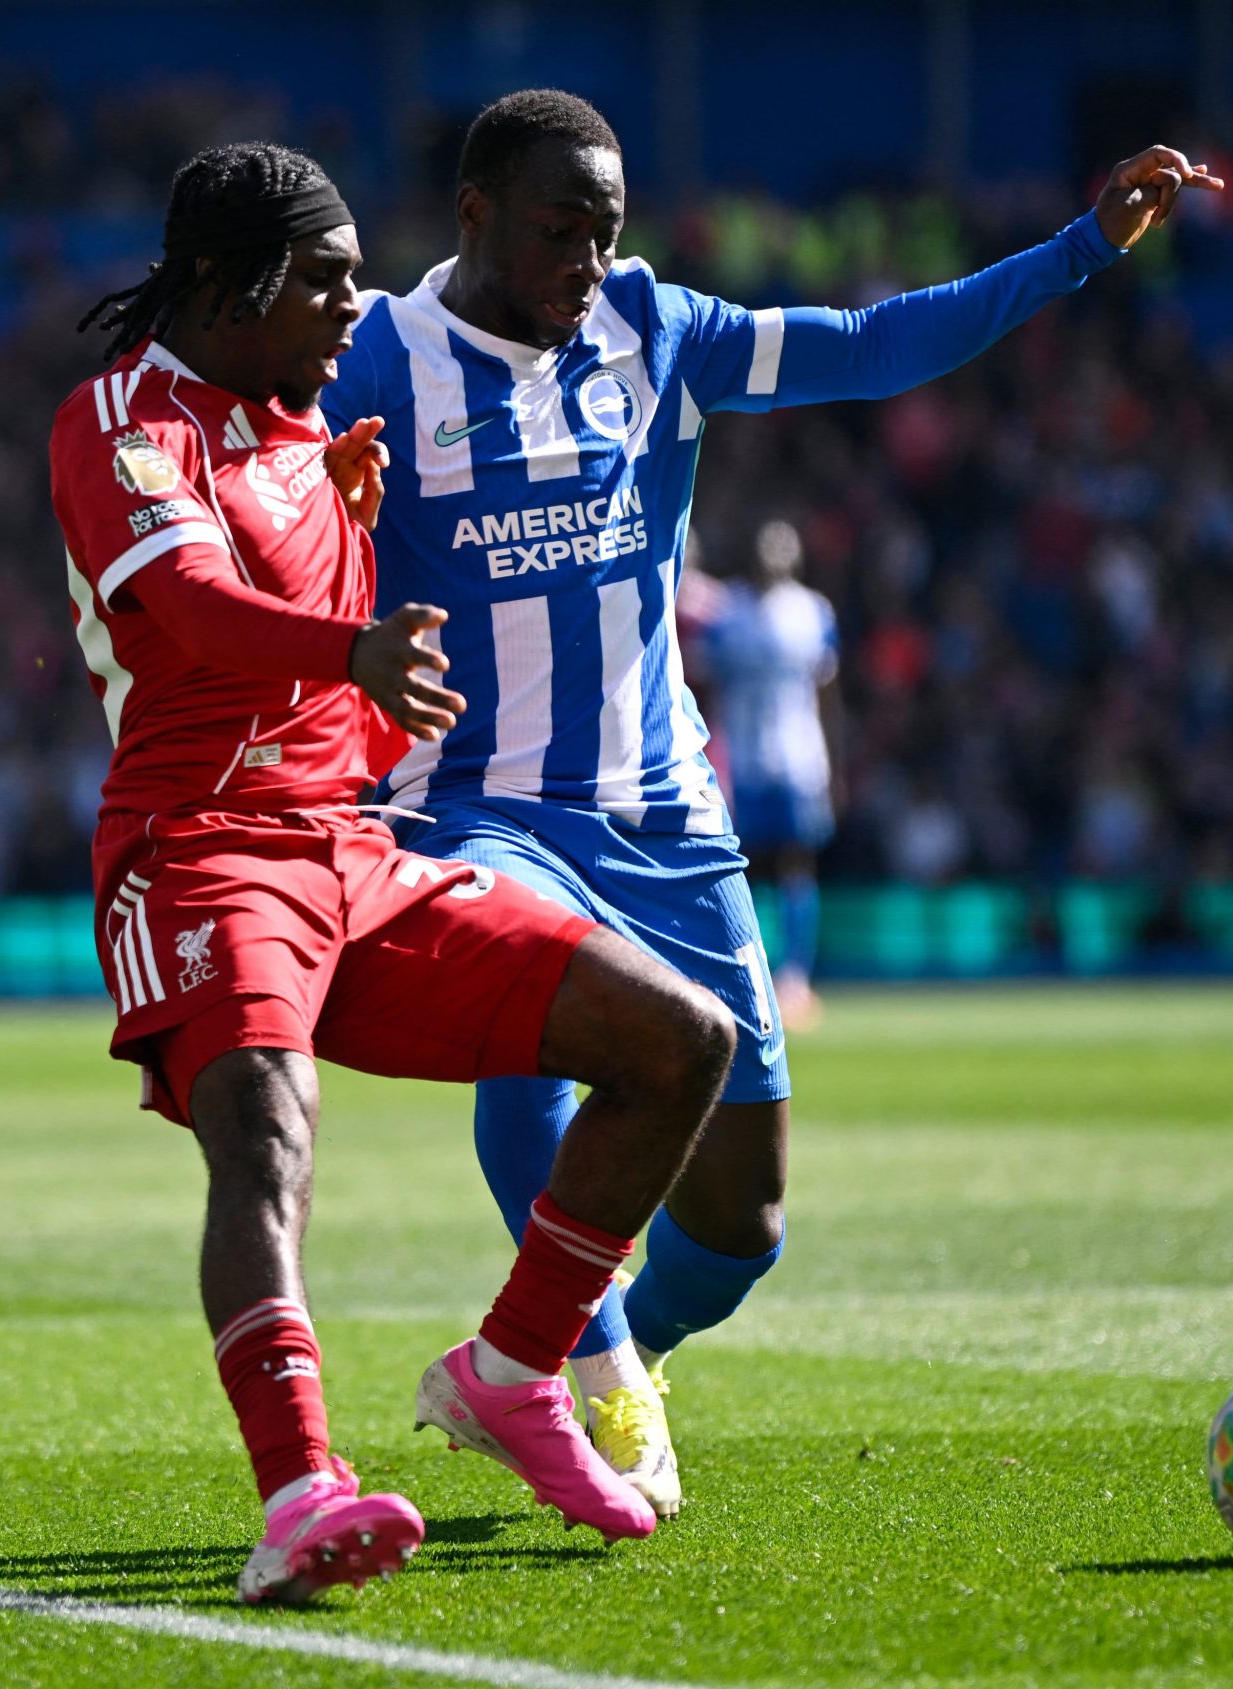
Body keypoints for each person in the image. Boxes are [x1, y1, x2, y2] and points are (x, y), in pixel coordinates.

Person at [322, 88, 1222, 1515]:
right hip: (472, 803)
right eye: (561, 228)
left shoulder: (654, 329)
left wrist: (1078, 249)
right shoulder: (374, 352)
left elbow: (872, 346)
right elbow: (232, 464)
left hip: (668, 812)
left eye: (606, 229)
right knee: (543, 1051)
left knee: (744, 1226)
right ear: (476, 212)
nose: (588, 257)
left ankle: (613, 1345)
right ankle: (581, 1358)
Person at [51, 142, 734, 1606]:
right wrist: (348, 645)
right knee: (268, 1138)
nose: (358, 308)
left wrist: (356, 575)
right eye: (330, 279)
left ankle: (511, 1368)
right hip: (198, 849)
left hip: (351, 850)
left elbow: (337, 690)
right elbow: (185, 604)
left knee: (678, 1040)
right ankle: (300, 1491)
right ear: (238, 285)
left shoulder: (311, 440)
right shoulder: (122, 423)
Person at [705, 520, 841, 1031]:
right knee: (747, 867)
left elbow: (829, 694)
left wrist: (836, 761)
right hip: (742, 759)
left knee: (796, 864)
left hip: (800, 756)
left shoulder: (813, 612)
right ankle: (752, 969)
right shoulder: (728, 614)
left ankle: (796, 978)